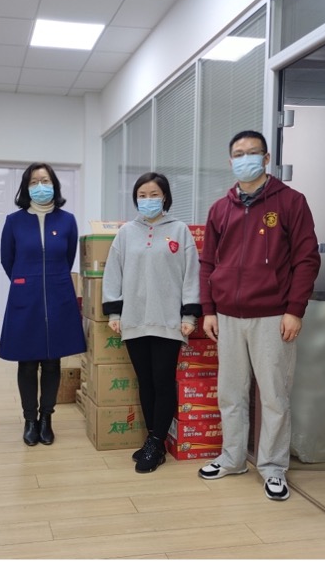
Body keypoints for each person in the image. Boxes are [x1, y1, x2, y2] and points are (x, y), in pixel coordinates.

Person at [197, 130, 321, 500]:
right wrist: (209, 310)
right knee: (231, 394)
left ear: (266, 159)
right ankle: (233, 458)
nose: (245, 159)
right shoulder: (220, 209)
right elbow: (208, 263)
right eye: (238, 154)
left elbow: (306, 259)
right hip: (227, 317)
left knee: (274, 397)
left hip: (272, 316)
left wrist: (294, 310)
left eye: (252, 152)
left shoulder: (291, 202)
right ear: (230, 160)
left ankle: (272, 468)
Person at [102, 172, 202, 473]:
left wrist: (189, 315)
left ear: (165, 197)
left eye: (154, 194)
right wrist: (115, 313)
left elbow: (191, 275)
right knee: (145, 382)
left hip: (168, 320)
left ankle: (156, 442)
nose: (148, 200)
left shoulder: (180, 230)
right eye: (142, 195)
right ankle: (153, 440)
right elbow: (113, 273)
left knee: (162, 380)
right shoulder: (126, 233)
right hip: (134, 319)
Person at [0, 163, 86, 446]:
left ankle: (46, 418)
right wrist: (26, 281)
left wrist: (52, 280)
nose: (40, 186)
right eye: (34, 181)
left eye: (45, 180)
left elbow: (68, 258)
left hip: (59, 296)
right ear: (26, 187)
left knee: (52, 361)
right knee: (26, 362)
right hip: (25, 297)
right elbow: (7, 260)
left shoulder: (67, 220)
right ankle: (29, 420)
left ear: (54, 185)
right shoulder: (14, 221)